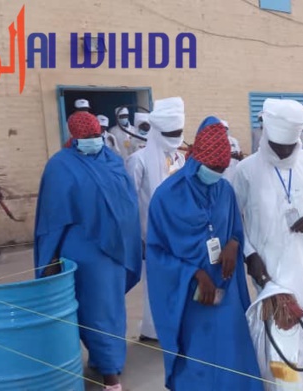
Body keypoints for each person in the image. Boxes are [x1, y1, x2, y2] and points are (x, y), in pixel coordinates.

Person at [147, 118, 262, 391]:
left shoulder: (224, 191)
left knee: (233, 352)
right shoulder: (166, 197)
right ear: (197, 159)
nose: (218, 174)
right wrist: (194, 273)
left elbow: (236, 228)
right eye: (213, 168)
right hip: (189, 294)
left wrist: (233, 244)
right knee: (198, 360)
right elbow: (156, 253)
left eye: (222, 169)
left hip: (225, 286)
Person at [232, 98, 303, 389]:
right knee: (279, 328)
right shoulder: (247, 170)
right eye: (277, 147)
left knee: (299, 327)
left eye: (288, 148)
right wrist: (249, 254)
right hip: (266, 267)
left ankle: (288, 382)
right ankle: (287, 385)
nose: (282, 153)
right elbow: (233, 219)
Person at [35, 111, 141, 391]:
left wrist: (132, 240)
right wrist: (51, 257)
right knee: (96, 311)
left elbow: (128, 203)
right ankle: (110, 375)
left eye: (97, 135)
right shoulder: (60, 166)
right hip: (82, 251)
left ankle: (104, 359)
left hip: (115, 249)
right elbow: (52, 216)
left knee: (113, 309)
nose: (94, 140)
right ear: (74, 137)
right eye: (88, 137)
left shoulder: (112, 161)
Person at [125, 97, 186, 343]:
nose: (175, 139)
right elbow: (129, 202)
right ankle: (153, 331)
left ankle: (176, 325)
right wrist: (135, 238)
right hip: (149, 233)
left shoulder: (179, 159)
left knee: (178, 280)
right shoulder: (138, 160)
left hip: (178, 233)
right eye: (170, 134)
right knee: (155, 284)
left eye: (178, 133)